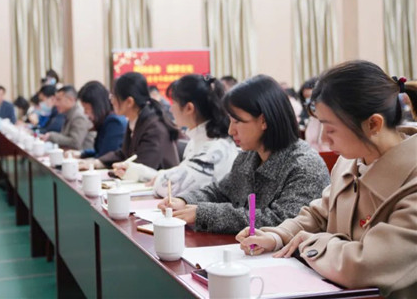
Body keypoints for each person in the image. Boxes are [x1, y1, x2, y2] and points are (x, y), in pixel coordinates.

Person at [237, 61, 417, 299]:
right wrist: (276, 236)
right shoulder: (349, 163)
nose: (323, 138)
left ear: (373, 124)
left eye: (330, 129)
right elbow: (319, 214)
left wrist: (313, 244)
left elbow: (368, 265)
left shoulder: (411, 178)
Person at [158, 75, 330, 234]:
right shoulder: (249, 156)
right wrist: (185, 201)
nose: (231, 130)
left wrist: (203, 213)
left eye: (237, 121)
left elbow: (281, 220)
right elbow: (221, 192)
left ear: (263, 121)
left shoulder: (305, 166)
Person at [113, 75, 239, 198]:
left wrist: (150, 175)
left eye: (173, 103)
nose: (171, 109)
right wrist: (137, 172)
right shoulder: (198, 140)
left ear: (189, 108)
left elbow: (171, 186)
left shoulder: (216, 148)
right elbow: (179, 175)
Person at [92, 72, 179, 171]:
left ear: (129, 102)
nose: (111, 101)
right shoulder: (136, 120)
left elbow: (144, 168)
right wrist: (96, 163)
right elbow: (124, 154)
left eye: (114, 97)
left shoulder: (154, 128)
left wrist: (113, 171)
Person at [73, 81, 127, 159]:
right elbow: (100, 151)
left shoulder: (114, 122)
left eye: (86, 108)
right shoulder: (106, 120)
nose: (85, 113)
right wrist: (81, 154)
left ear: (96, 106)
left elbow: (107, 156)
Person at [42, 85, 95, 150]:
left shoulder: (79, 116)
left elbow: (75, 142)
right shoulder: (69, 113)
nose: (56, 104)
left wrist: (51, 136)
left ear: (70, 100)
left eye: (59, 99)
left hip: (81, 155)